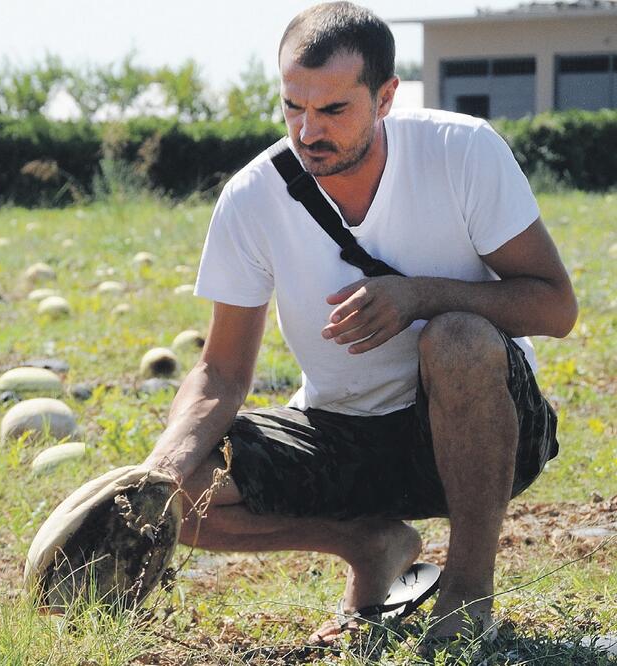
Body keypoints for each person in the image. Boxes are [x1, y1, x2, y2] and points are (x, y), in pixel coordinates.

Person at [141, 0, 577, 650]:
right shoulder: (253, 197)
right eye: (294, 106)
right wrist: (160, 469)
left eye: (333, 110)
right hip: (341, 434)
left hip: (484, 434)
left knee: (455, 338)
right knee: (181, 494)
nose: (307, 131)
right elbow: (221, 370)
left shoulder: (463, 153)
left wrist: (417, 296)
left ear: (387, 97)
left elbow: (555, 307)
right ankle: (372, 545)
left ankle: (466, 589)